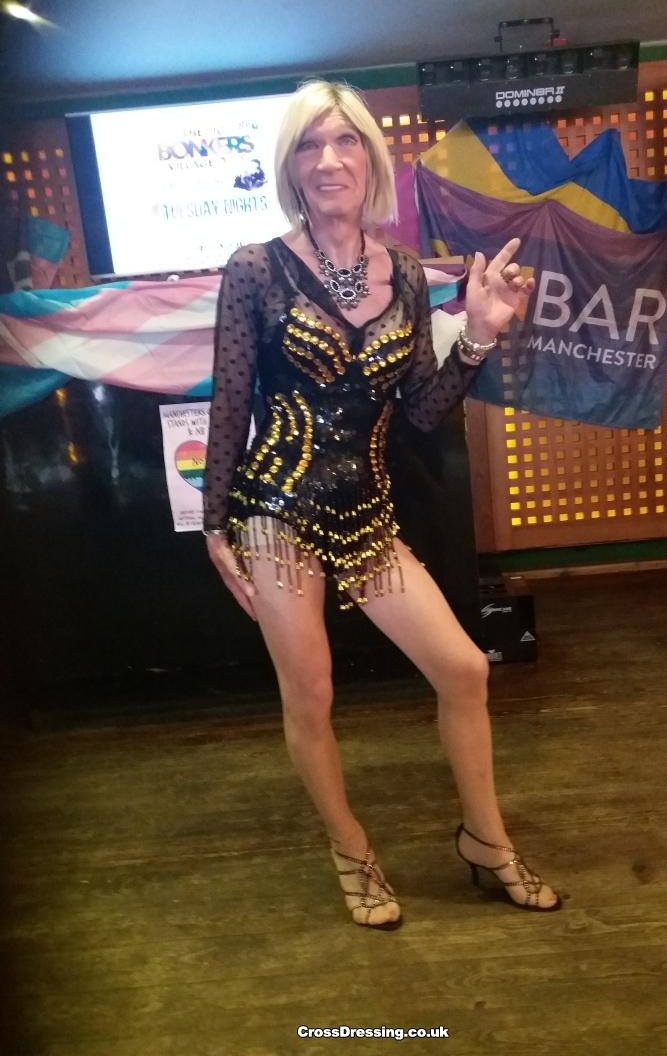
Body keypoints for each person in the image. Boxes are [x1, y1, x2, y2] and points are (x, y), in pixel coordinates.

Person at [203, 79, 562, 929]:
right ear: (291, 166)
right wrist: (216, 523)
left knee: (465, 668)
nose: (328, 159)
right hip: (275, 511)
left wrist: (478, 335)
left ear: (369, 157)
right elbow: (229, 401)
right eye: (309, 144)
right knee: (311, 693)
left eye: (345, 141)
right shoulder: (255, 268)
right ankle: (351, 849)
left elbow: (420, 416)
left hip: (364, 511)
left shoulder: (401, 272)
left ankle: (485, 841)